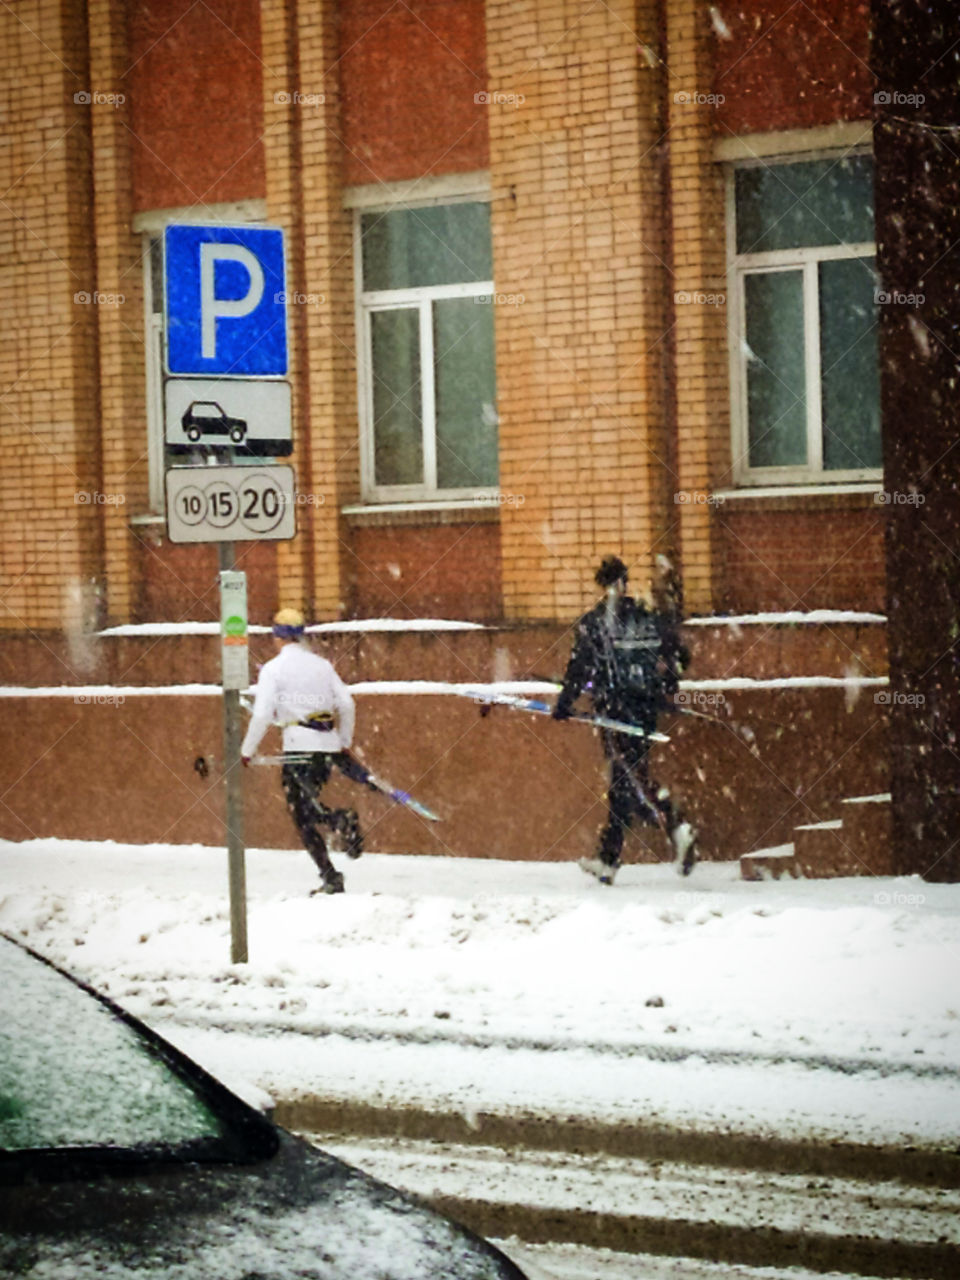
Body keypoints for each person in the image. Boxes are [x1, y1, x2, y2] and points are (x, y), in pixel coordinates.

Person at [552, 555, 698, 884]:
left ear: (602, 586)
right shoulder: (649, 619)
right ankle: (608, 860)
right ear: (625, 582)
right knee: (624, 782)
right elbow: (680, 656)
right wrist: (666, 684)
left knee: (629, 780)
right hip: (645, 710)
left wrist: (564, 703)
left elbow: (579, 669)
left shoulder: (595, 623)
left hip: (614, 713)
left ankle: (675, 824)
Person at [241, 608, 366, 895]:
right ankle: (332, 859)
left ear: (277, 637)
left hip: (298, 749)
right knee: (308, 810)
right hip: (327, 747)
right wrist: (343, 740)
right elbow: (346, 704)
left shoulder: (273, 669)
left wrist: (246, 751)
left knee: (301, 816)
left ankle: (336, 843)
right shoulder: (322, 665)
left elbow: (261, 715)